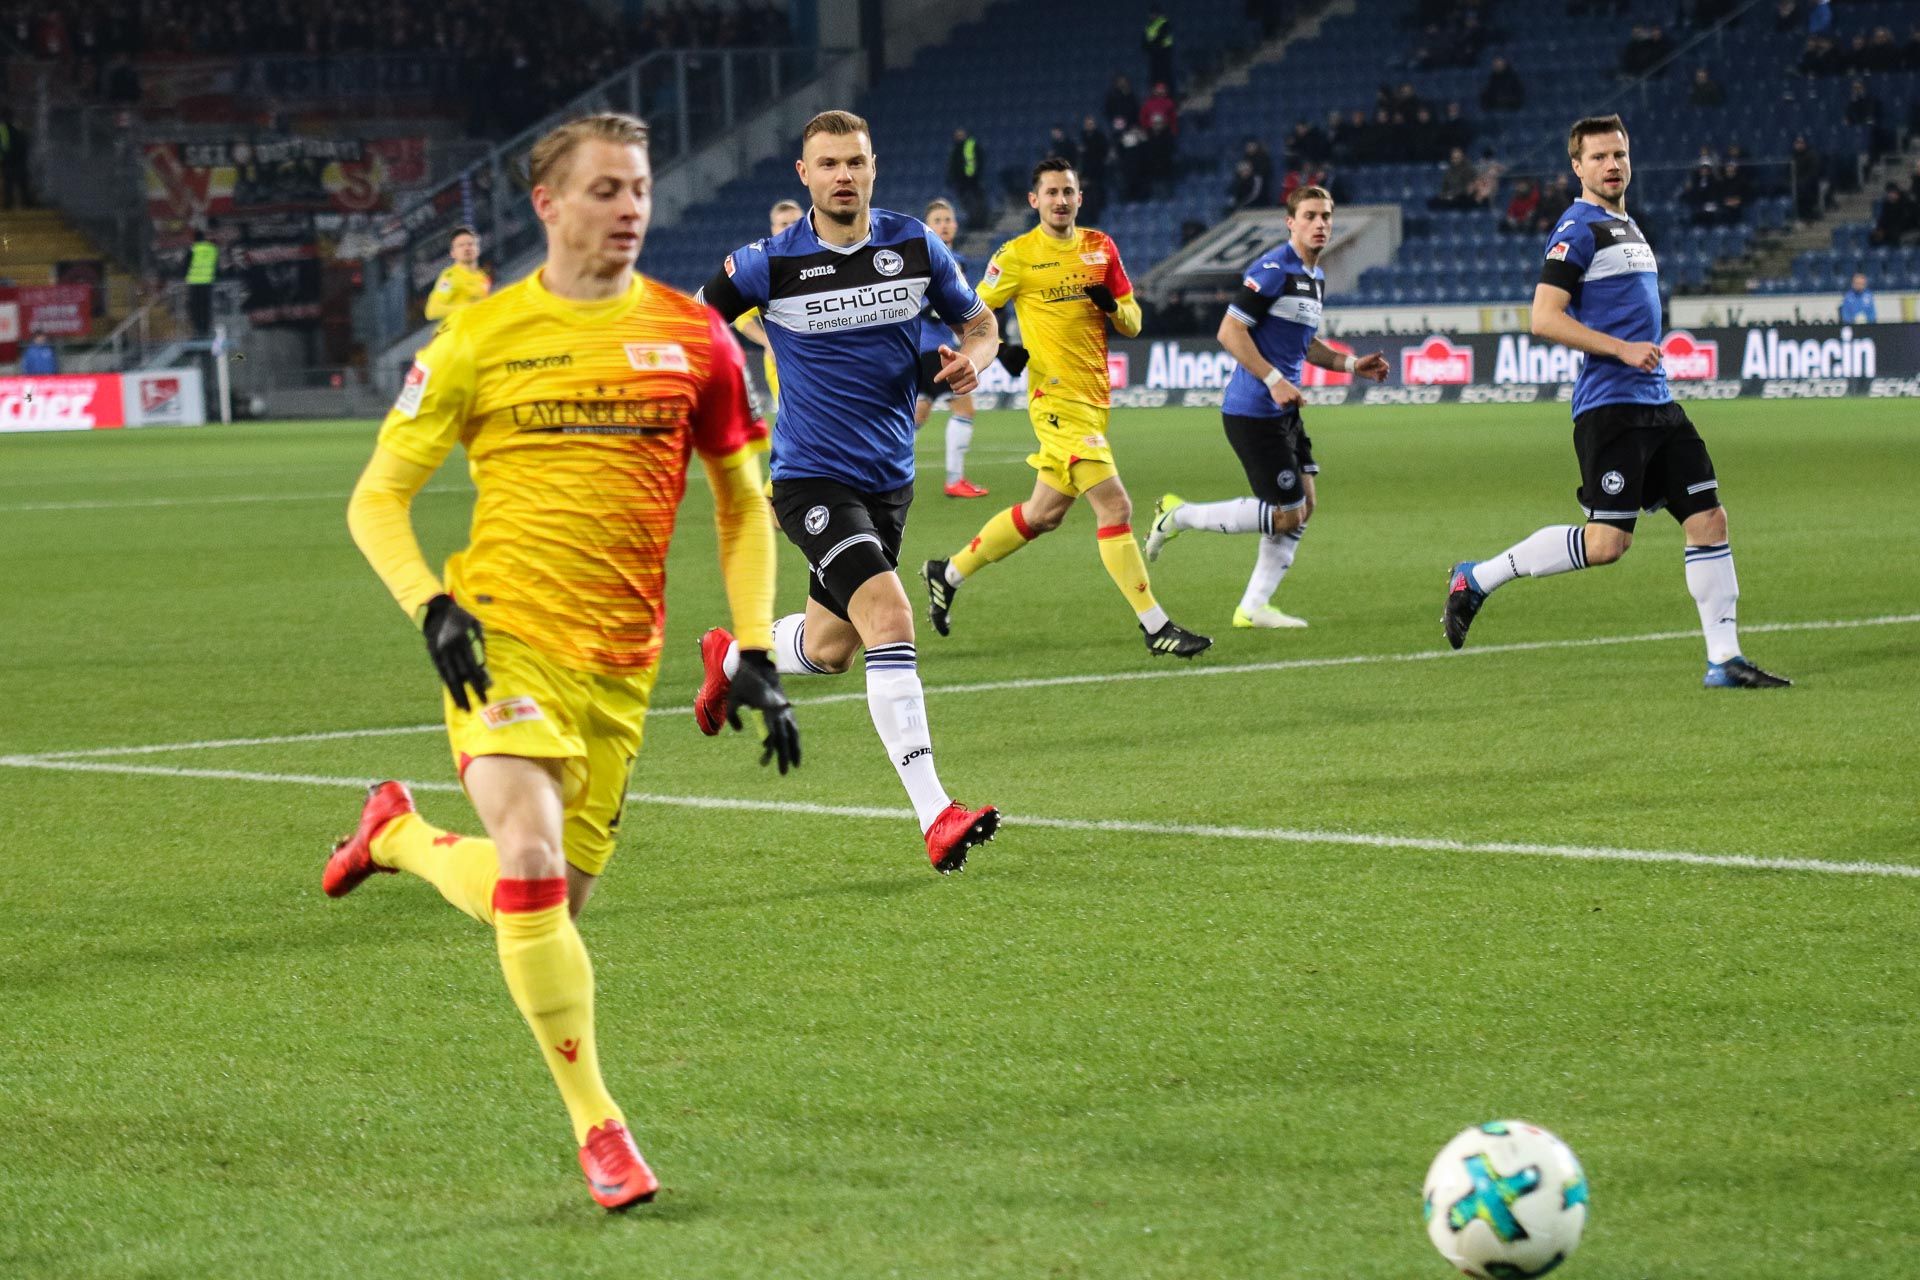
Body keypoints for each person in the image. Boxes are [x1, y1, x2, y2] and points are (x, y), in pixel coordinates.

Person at [328, 113, 799, 1211]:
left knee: (541, 904)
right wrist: (433, 605)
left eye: (639, 188)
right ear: (546, 203)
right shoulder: (478, 337)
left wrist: (757, 647)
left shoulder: (695, 338)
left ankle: (395, 833)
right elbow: (376, 499)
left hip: (621, 666)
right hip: (504, 641)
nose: (630, 208)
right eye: (604, 189)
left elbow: (742, 505)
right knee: (533, 861)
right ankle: (602, 1130)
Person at [695, 109, 1002, 873]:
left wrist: (974, 359)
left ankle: (731, 657)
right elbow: (694, 329)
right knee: (891, 615)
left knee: (831, 648)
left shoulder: (914, 246)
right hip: (810, 480)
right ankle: (936, 813)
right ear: (804, 175)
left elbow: (981, 323)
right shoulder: (767, 265)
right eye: (828, 163)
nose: (843, 175)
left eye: (854, 162)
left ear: (873, 168)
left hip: (889, 481)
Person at [1441, 114, 1790, 689]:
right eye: (1599, 157)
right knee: (1607, 543)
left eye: (1619, 155)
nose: (1612, 165)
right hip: (1611, 408)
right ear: (1577, 167)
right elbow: (1543, 317)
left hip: (1658, 403)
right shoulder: (1577, 228)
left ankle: (1724, 660)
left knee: (1709, 519)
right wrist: (1622, 349)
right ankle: (1476, 578)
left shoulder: (1627, 225)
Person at [922, 157, 1211, 659]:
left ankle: (947, 573)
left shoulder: (1101, 248)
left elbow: (1134, 322)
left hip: (1094, 399)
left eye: (1068, 192)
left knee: (1042, 515)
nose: (1060, 200)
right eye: (1051, 192)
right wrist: (1001, 351)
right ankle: (1156, 626)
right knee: (1116, 507)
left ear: (1080, 197)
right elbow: (972, 312)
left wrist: (1111, 306)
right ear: (1034, 200)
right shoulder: (1016, 255)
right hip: (1055, 400)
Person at [1145, 186, 1388, 629]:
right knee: (1286, 513)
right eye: (1310, 216)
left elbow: (1304, 344)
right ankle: (1178, 515)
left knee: (1305, 504)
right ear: (1290, 222)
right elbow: (1229, 331)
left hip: (1283, 411)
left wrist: (1352, 364)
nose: (1320, 224)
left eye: (1326, 216)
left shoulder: (1315, 277)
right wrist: (1274, 380)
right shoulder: (1274, 269)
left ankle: (1253, 607)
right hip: (1253, 411)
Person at [915, 198, 989, 498]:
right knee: (964, 408)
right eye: (937, 220)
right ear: (927, 227)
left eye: (948, 219)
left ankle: (878, 474)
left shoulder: (955, 258)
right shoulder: (929, 258)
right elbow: (929, 305)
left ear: (956, 225)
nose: (944, 225)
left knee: (918, 414)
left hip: (926, 347)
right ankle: (955, 480)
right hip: (934, 348)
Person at [731, 197, 805, 471]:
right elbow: (741, 317)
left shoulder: (822, 258)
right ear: (773, 229)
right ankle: (780, 486)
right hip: (785, 366)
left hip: (823, 362)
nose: (789, 229)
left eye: (795, 223)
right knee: (802, 438)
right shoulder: (766, 268)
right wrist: (768, 342)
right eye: (783, 224)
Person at [424, 225, 491, 321]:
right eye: (461, 245)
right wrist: (466, 308)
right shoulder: (450, 277)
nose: (467, 248)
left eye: (470, 244)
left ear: (478, 249)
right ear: (453, 253)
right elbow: (432, 310)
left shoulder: (483, 277)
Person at [947, 125, 987, 228]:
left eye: (960, 134)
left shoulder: (971, 145)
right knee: (967, 203)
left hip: (972, 181)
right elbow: (953, 164)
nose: (959, 136)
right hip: (962, 181)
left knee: (975, 202)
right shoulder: (956, 148)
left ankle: (979, 222)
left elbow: (977, 161)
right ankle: (973, 221)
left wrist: (973, 175)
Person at [185, 221, 218, 337]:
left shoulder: (193, 249)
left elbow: (186, 265)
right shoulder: (212, 249)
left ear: (194, 239)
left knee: (196, 307)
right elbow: (216, 265)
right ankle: (206, 328)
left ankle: (198, 329)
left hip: (195, 283)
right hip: (208, 282)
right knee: (206, 306)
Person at [1142, 6, 1175, 94]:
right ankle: (1155, 95)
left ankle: (1169, 95)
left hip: (1164, 55)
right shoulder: (1149, 26)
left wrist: (1152, 45)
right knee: (1154, 77)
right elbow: (1144, 42)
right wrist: (1149, 47)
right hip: (1154, 56)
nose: (1152, 16)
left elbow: (1161, 38)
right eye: (1151, 14)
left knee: (1165, 77)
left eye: (1154, 13)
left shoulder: (1164, 23)